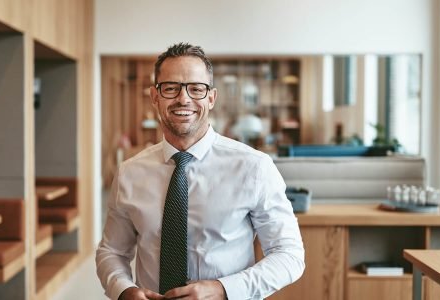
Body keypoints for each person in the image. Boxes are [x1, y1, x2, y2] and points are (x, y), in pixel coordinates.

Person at [96, 43, 305, 300]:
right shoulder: (130, 173)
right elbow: (112, 252)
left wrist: (224, 290)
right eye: (171, 88)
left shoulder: (254, 167)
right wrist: (124, 291)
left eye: (196, 89)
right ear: (155, 96)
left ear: (211, 98)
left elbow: (289, 254)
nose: (184, 99)